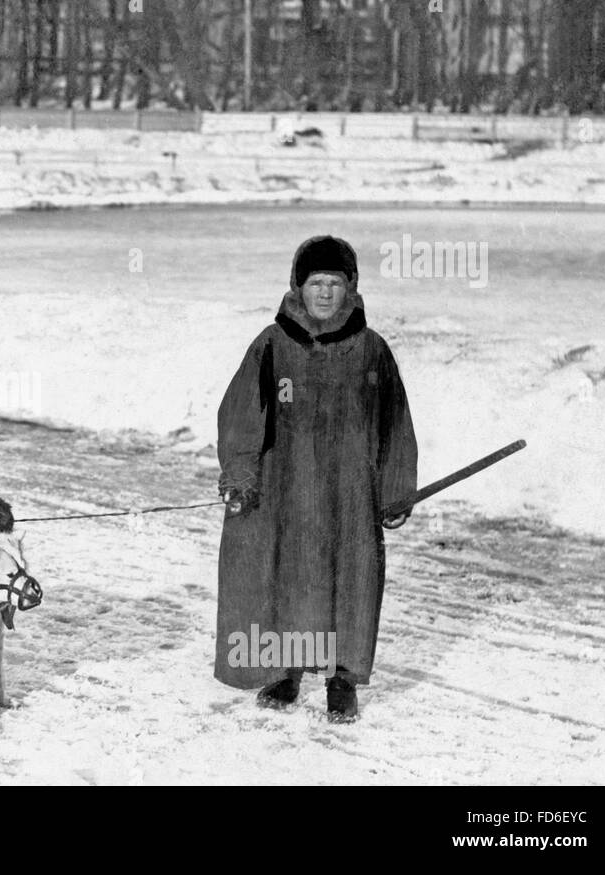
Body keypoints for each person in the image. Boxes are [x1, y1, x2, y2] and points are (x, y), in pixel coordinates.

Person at [213, 235, 417, 723]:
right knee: (285, 574)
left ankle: (342, 679)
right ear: (297, 287)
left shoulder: (372, 350)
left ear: (351, 288)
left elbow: (396, 425)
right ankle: (285, 673)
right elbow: (242, 414)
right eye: (315, 283)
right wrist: (241, 476)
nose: (324, 293)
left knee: (350, 580)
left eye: (335, 283)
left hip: (351, 494)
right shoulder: (271, 344)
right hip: (286, 490)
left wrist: (396, 490)